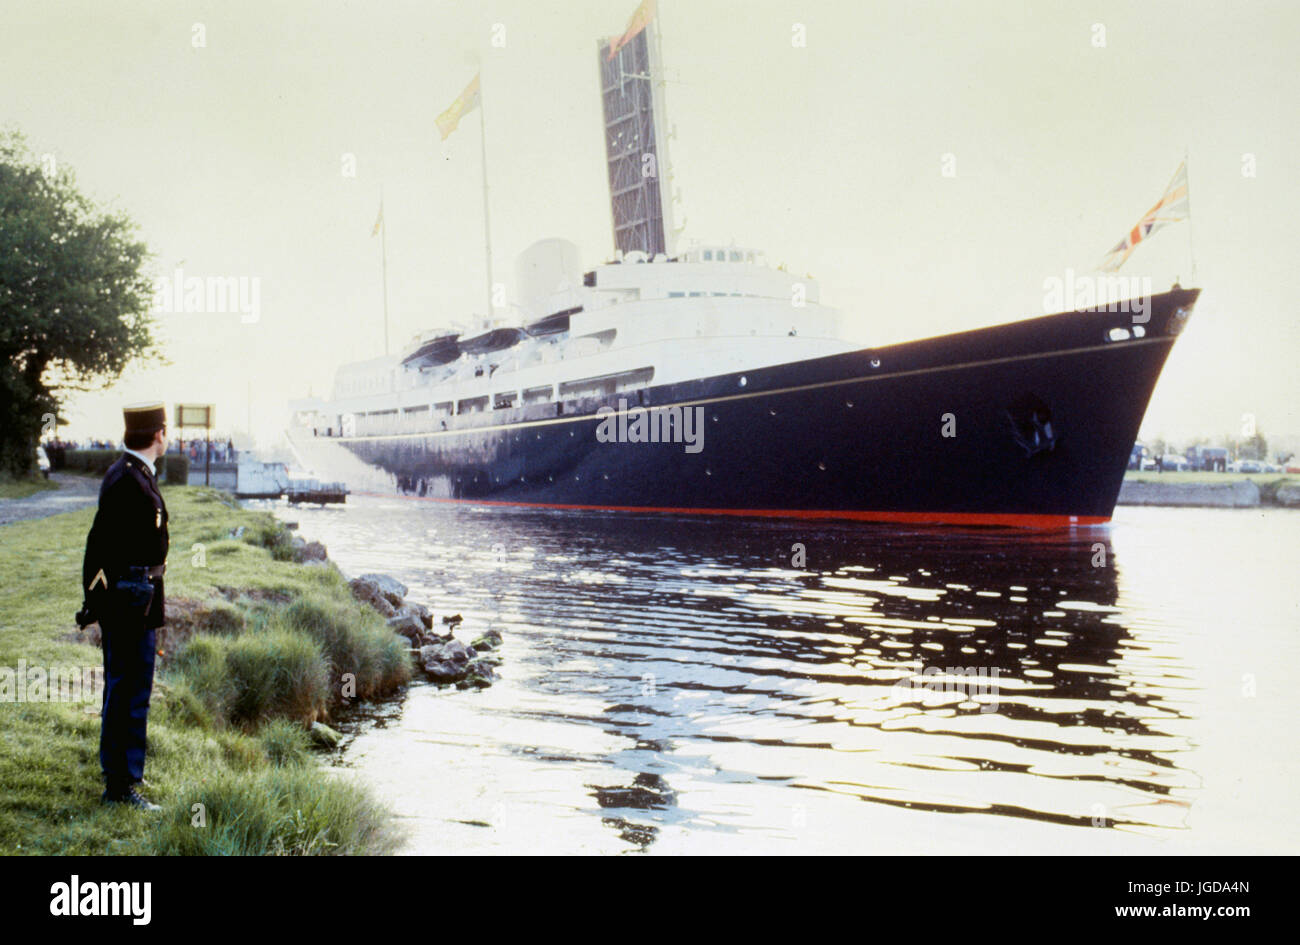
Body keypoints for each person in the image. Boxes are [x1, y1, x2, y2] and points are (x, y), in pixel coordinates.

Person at [76, 402, 170, 811]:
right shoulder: (126, 479)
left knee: (131, 688)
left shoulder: (134, 474)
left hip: (138, 596)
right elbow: (99, 547)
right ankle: (119, 787)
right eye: (166, 431)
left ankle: (125, 775)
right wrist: (98, 603)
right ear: (158, 435)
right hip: (128, 599)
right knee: (127, 691)